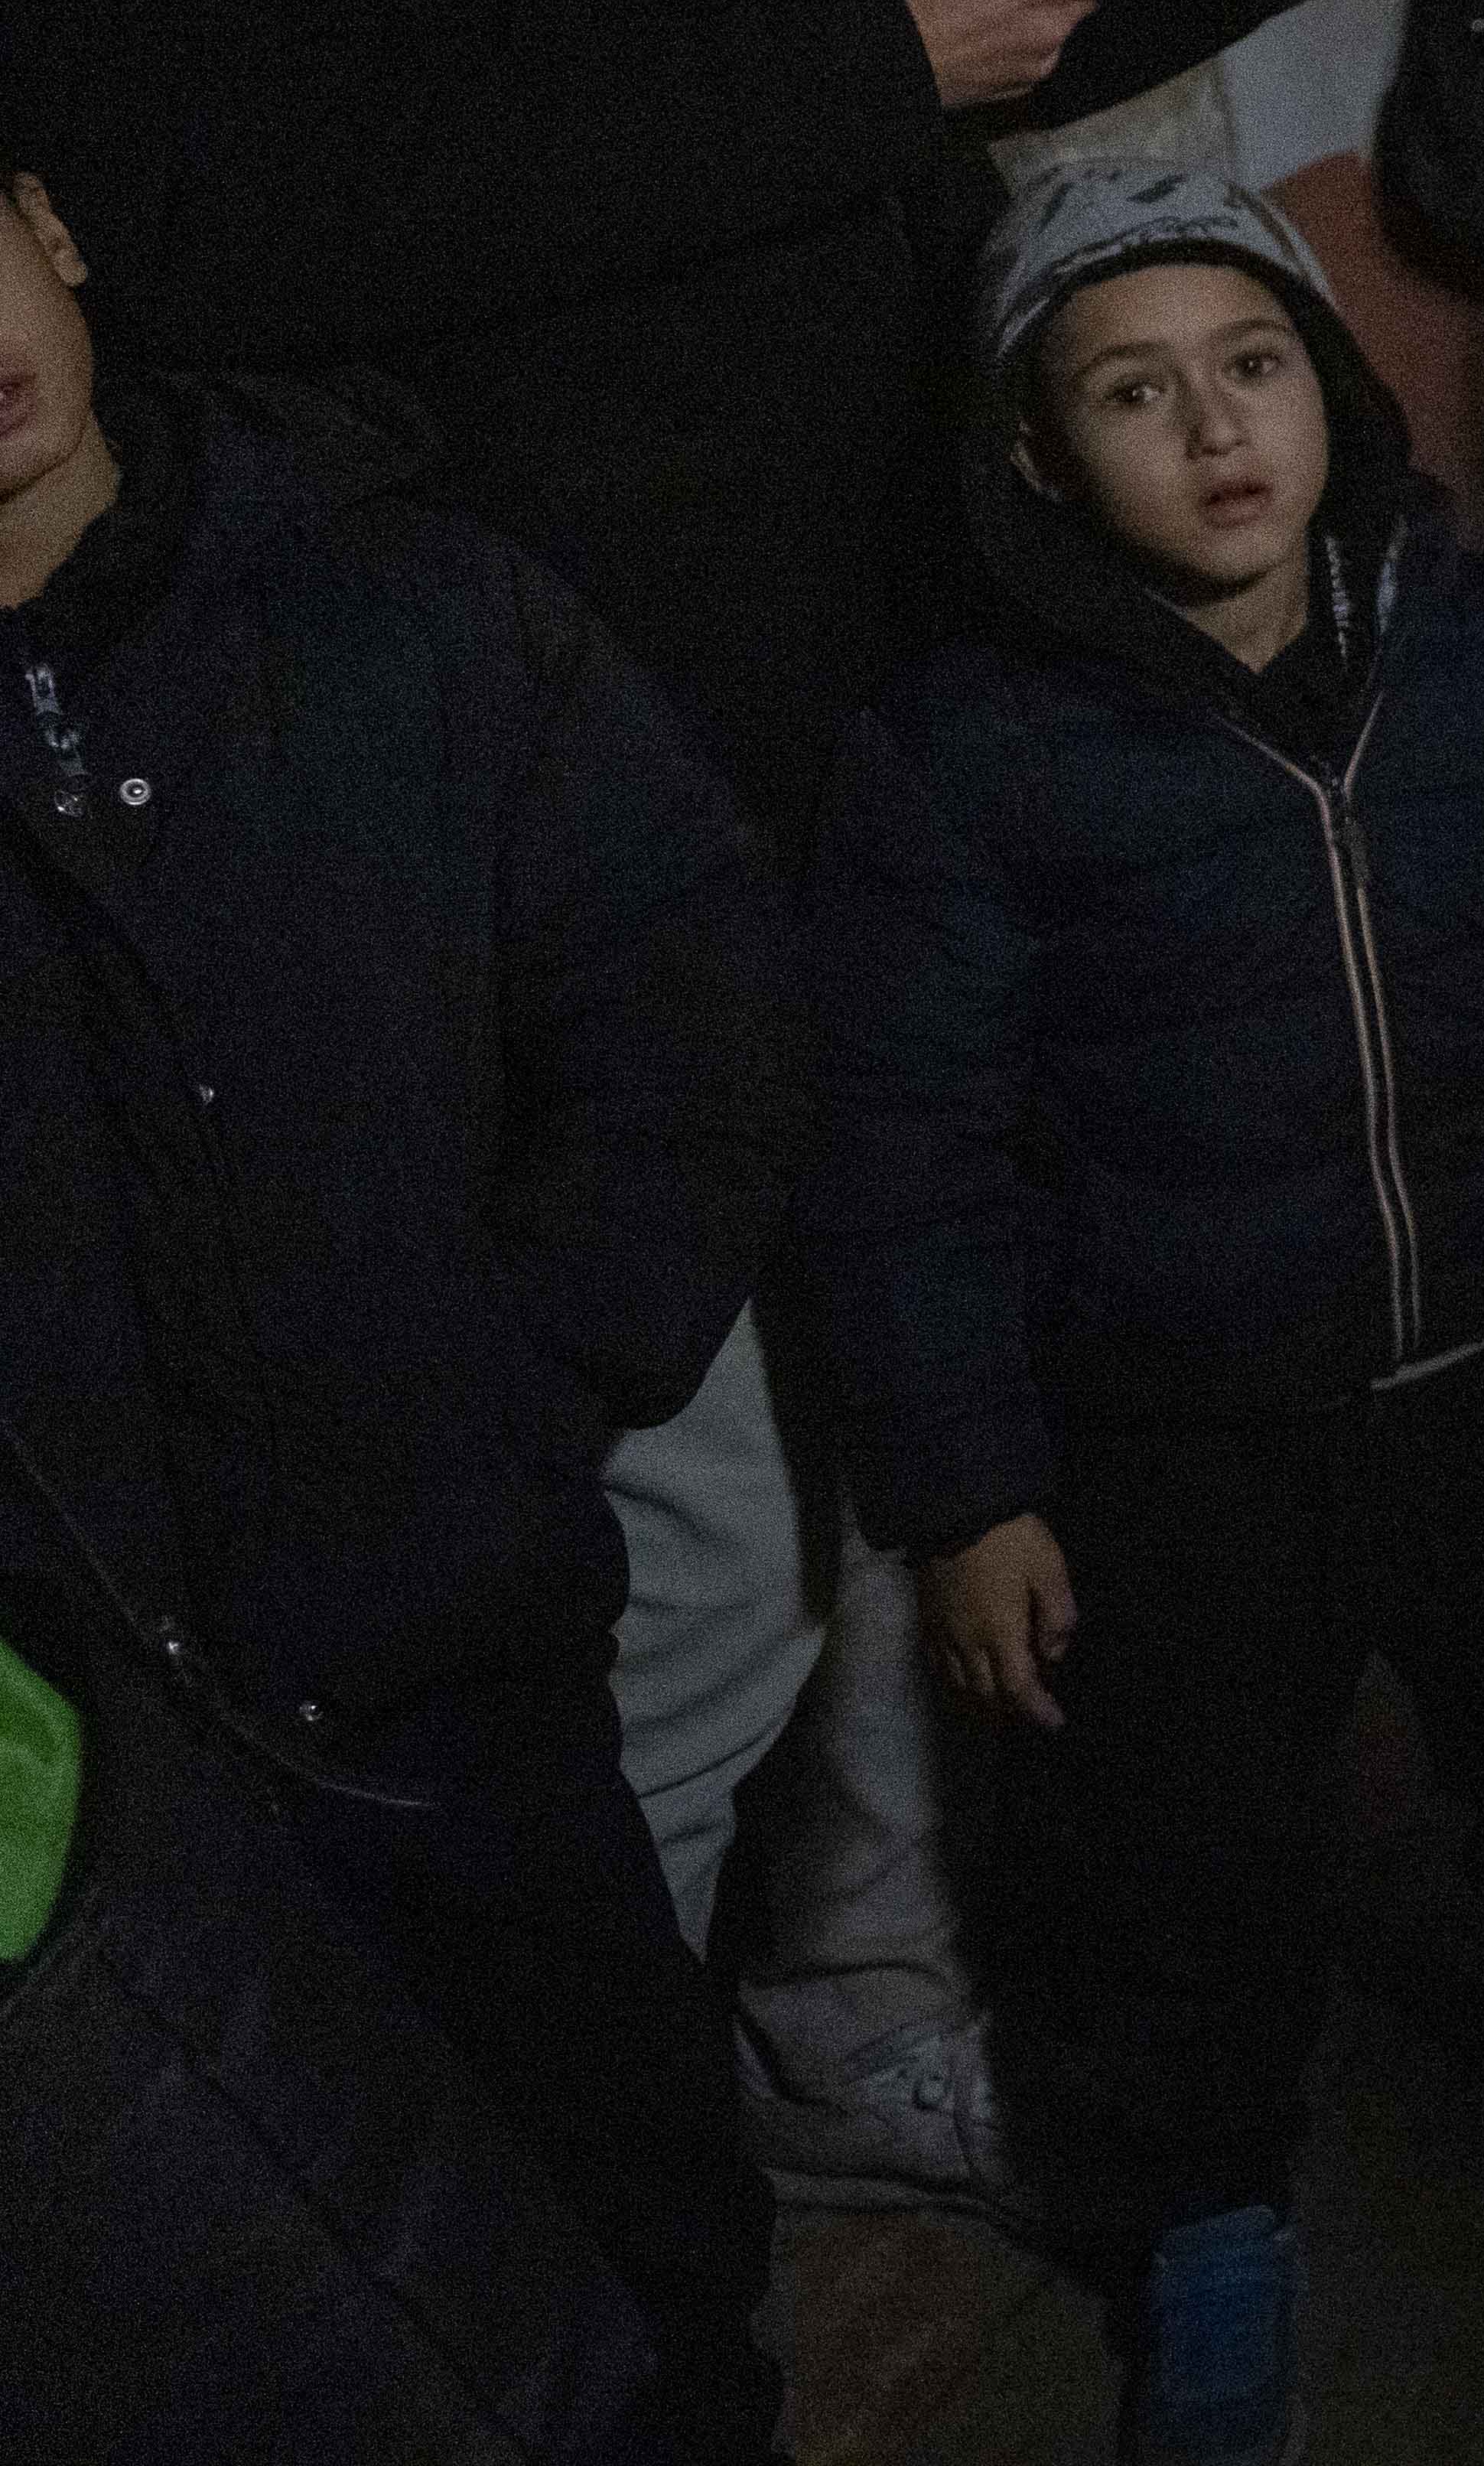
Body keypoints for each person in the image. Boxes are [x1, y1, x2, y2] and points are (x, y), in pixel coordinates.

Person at [0, 0, 1369, 2171]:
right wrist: (859, 58)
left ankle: (836, 2006)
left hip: (843, 653)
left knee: (908, 1376)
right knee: (615, 1526)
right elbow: (204, 217)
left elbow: (891, 4)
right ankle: (490, 2174)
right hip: (501, 740)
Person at [801, 166, 1484, 2466]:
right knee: (1185, 1845)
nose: (1216, 427)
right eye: (1132, 392)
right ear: (1040, 457)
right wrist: (967, 1490)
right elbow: (903, 1145)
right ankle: (1208, 2216)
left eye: (1251, 362)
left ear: (1327, 381)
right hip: (1177, 1434)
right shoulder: (976, 754)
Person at [0, 150, 809, 2460]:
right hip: (97, 1790)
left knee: (640, 2247)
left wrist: (521, 1383)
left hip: (461, 1680)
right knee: (254, 2327)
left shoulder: (414, 616)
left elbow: (686, 998)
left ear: (50, 223)